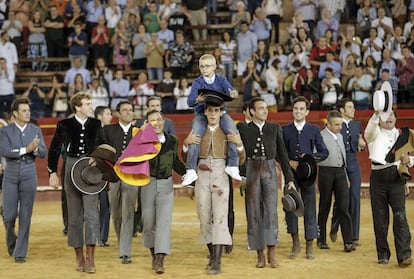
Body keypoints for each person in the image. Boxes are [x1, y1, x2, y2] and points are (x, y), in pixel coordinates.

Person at [183, 90, 246, 275]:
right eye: (210, 110)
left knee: (220, 217)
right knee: (203, 215)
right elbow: (186, 158)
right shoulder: (197, 130)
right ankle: (212, 255)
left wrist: (240, 145)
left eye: (216, 110)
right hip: (201, 173)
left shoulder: (228, 130)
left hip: (220, 172)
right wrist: (186, 145)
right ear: (205, 112)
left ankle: (217, 260)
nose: (212, 114)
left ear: (221, 113)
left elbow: (241, 159)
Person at [237, 97, 295, 268]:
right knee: (253, 212)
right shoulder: (243, 128)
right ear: (252, 112)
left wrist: (289, 178)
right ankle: (259, 254)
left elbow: (283, 156)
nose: (265, 110)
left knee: (271, 211)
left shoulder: (274, 128)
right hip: (251, 168)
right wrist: (241, 176)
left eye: (266, 108)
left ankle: (271, 252)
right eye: (261, 108)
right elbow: (240, 155)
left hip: (269, 169)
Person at [48, 93, 102, 273]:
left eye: (91, 103)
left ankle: (91, 257)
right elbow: (55, 147)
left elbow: (102, 147)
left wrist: (101, 164)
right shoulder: (64, 124)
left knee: (92, 215)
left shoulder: (96, 124)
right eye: (87, 104)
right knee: (74, 215)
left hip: (91, 167)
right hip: (71, 166)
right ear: (77, 107)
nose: (91, 106)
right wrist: (52, 172)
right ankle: (79, 256)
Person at [182, 53, 241, 186]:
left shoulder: (221, 79)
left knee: (232, 131)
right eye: (202, 66)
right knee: (195, 136)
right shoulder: (197, 82)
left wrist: (234, 93)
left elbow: (232, 92)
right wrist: (198, 99)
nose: (204, 69)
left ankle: (233, 165)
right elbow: (190, 102)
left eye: (207, 66)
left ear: (214, 67)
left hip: (220, 112)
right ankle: (191, 169)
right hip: (202, 113)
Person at [0, 97, 47, 263]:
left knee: (26, 214)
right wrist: (26, 149)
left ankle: (20, 252)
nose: (28, 113)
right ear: (15, 113)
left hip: (29, 172)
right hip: (11, 173)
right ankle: (12, 241)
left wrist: (34, 150)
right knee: (9, 216)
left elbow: (43, 152)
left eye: (28, 110)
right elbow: (6, 151)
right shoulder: (5, 131)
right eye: (24, 111)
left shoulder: (35, 130)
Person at [281, 96, 329, 260]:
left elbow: (324, 152)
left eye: (302, 109)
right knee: (290, 207)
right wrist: (288, 162)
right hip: (290, 176)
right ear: (292, 111)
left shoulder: (314, 130)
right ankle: (296, 243)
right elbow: (279, 153)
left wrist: (308, 159)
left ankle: (309, 245)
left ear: (307, 112)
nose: (298, 111)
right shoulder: (284, 129)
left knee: (309, 208)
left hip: (308, 175)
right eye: (296, 108)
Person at [364, 109, 412, 267]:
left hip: (396, 178)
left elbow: (412, 155)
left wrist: (409, 159)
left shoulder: (404, 135)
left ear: (396, 118)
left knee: (400, 216)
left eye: (392, 114)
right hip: (378, 178)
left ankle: (404, 254)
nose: (389, 117)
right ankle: (383, 253)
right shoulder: (373, 133)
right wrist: (376, 113)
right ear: (379, 119)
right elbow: (369, 130)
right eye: (385, 115)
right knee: (380, 218)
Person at [141, 110, 186, 274]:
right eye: (152, 120)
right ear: (147, 123)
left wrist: (189, 175)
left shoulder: (172, 140)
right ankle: (154, 255)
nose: (157, 123)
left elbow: (175, 162)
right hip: (147, 184)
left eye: (159, 119)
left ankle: (160, 259)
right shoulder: (142, 141)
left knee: (163, 223)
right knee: (147, 222)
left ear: (164, 121)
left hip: (166, 184)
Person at [97, 100, 137, 264]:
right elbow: (101, 154)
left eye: (130, 110)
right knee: (116, 213)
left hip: (131, 176)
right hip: (113, 176)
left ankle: (125, 250)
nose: (128, 112)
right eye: (125, 110)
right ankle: (123, 243)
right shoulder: (107, 130)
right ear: (118, 114)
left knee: (128, 212)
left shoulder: (138, 132)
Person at [329, 99, 366, 247]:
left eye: (353, 107)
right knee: (342, 198)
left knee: (355, 198)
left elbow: (360, 144)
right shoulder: (337, 124)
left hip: (353, 163)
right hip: (339, 164)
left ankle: (354, 236)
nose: (353, 110)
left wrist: (362, 146)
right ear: (342, 110)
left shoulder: (357, 125)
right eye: (350, 107)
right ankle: (335, 223)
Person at [317, 110, 354, 252]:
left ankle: (348, 242)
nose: (340, 127)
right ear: (329, 124)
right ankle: (321, 240)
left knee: (344, 207)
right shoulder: (320, 136)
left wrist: (346, 176)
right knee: (324, 206)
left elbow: (343, 158)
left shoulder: (340, 136)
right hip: (325, 173)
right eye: (337, 124)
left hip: (340, 173)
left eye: (341, 124)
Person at [94, 105, 113, 247]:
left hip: (105, 172)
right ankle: (99, 236)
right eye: (107, 114)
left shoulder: (110, 132)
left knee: (105, 205)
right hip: (95, 172)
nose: (111, 116)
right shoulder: (95, 132)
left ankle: (101, 236)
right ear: (100, 116)